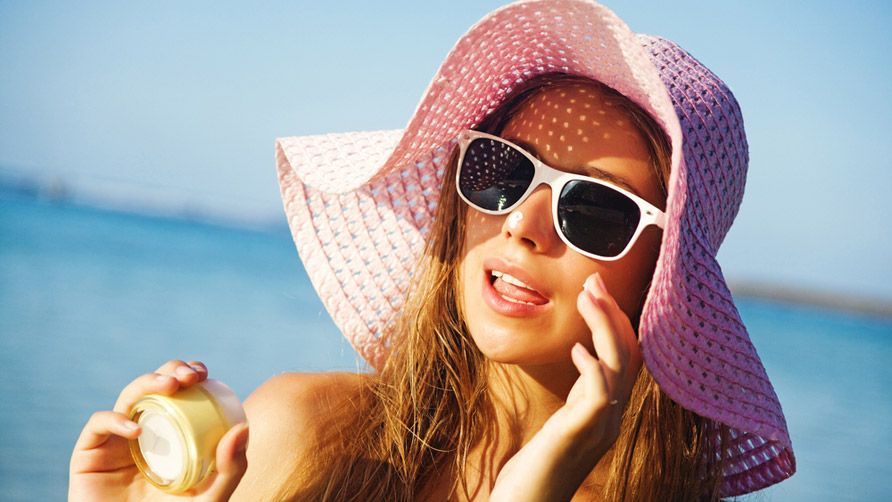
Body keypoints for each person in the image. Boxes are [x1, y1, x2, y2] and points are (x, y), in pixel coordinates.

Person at [68, 0, 796, 500]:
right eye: (502, 171)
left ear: (664, 278)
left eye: (594, 209)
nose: (521, 225)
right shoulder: (306, 429)